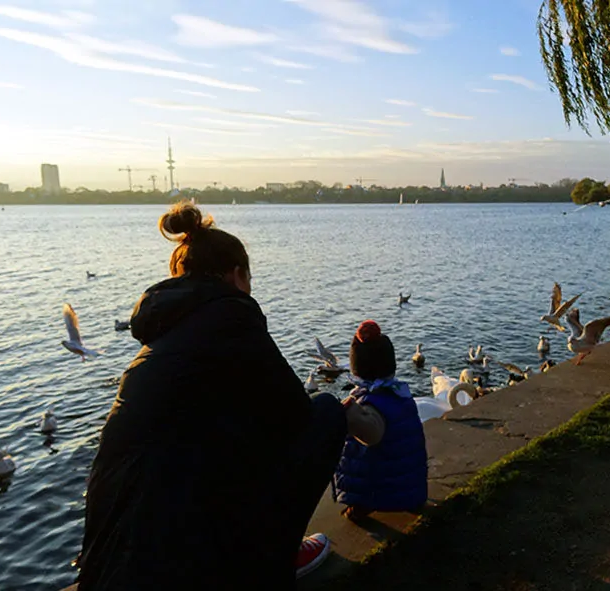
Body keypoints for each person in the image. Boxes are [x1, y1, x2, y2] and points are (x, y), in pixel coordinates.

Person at [75, 201, 349, 590]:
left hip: (111, 559)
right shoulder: (232, 318)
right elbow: (295, 417)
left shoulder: (161, 336)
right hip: (181, 559)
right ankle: (271, 559)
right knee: (326, 412)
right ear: (237, 275)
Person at [334, 320, 429, 522]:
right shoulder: (400, 394)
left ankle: (360, 506)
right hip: (409, 481)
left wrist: (347, 412)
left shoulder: (371, 405)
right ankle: (412, 499)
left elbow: (371, 435)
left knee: (367, 464)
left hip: (379, 486)